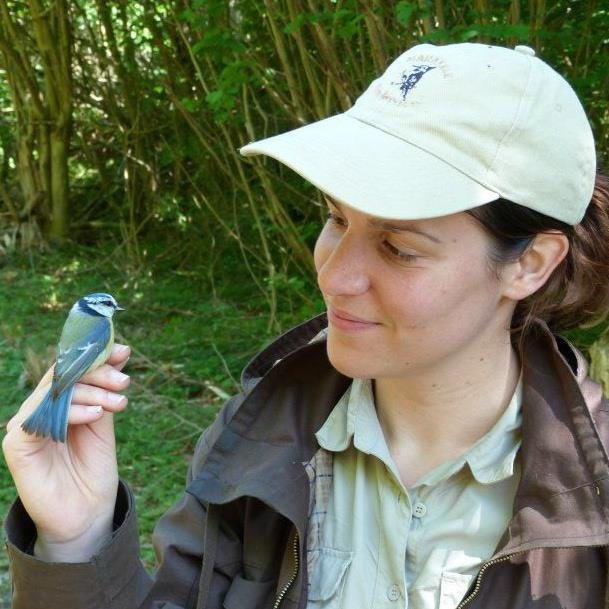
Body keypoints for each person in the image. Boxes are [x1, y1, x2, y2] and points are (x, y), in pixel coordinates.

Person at [3, 41, 609, 609]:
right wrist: (76, 543)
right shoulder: (264, 434)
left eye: (399, 247)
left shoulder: (594, 495)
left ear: (529, 264)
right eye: (335, 219)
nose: (335, 276)